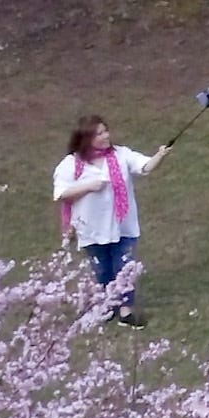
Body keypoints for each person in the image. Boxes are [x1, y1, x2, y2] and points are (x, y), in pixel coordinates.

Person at [52, 115, 167, 326]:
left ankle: (125, 311)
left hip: (123, 226)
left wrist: (160, 155)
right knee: (103, 270)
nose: (106, 136)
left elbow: (145, 167)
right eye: (99, 133)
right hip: (92, 230)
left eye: (106, 131)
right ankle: (105, 306)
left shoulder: (121, 155)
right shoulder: (71, 165)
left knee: (124, 267)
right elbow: (61, 193)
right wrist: (89, 186)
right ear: (86, 138)